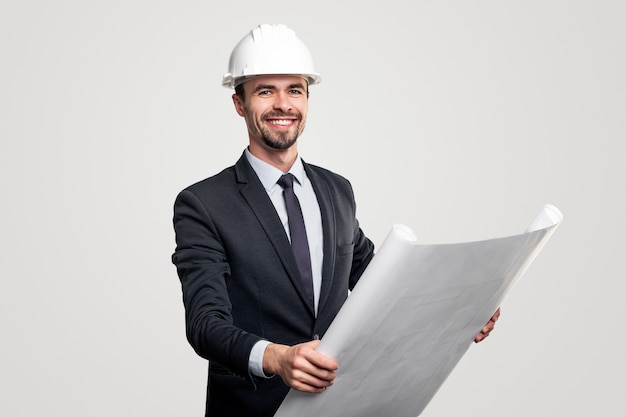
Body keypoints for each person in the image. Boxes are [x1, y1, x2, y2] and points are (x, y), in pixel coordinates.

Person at [172, 23, 499, 417]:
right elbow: (205, 323)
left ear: (307, 98)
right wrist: (276, 358)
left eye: (294, 89)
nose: (282, 104)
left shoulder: (336, 190)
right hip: (254, 408)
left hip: (344, 404)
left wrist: (460, 311)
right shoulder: (203, 203)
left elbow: (380, 286)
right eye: (264, 91)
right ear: (239, 103)